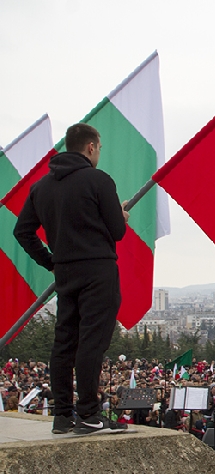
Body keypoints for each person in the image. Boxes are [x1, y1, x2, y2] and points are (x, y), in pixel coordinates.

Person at [14, 123, 129, 435]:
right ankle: (90, 414)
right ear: (91, 147)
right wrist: (119, 216)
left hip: (65, 272)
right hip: (98, 270)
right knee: (92, 341)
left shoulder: (41, 187)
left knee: (64, 342)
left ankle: (63, 415)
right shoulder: (98, 180)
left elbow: (22, 232)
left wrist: (50, 261)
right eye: (99, 148)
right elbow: (116, 231)